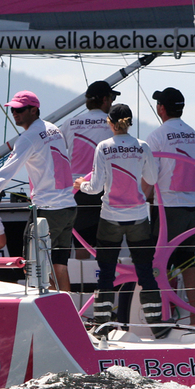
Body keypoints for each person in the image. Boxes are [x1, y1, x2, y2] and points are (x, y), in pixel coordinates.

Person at [0, 90, 77, 292]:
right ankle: (70, 315)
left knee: (34, 266)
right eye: (12, 110)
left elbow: (5, 173)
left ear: (34, 110)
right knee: (60, 266)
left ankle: (54, 315)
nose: (15, 113)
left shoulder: (28, 138)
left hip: (47, 210)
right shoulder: (54, 129)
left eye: (19, 109)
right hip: (68, 207)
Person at [75, 103, 171, 339]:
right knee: (146, 272)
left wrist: (80, 185)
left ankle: (102, 328)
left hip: (110, 217)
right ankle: (157, 327)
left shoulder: (103, 147)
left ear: (110, 122)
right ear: (130, 123)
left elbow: (96, 187)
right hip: (138, 217)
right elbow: (151, 177)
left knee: (106, 273)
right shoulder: (142, 146)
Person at [144, 87, 195, 313]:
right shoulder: (194, 135)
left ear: (161, 108)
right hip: (193, 207)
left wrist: (139, 199)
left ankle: (166, 313)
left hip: (168, 208)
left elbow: (150, 177)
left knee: (160, 263)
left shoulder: (156, 136)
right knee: (188, 262)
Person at [61, 80, 118, 259]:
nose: (112, 102)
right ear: (104, 100)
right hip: (103, 187)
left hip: (75, 189)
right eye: (111, 98)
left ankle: (82, 285)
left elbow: (58, 155)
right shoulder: (113, 125)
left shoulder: (69, 123)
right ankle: (104, 282)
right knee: (107, 243)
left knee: (81, 244)